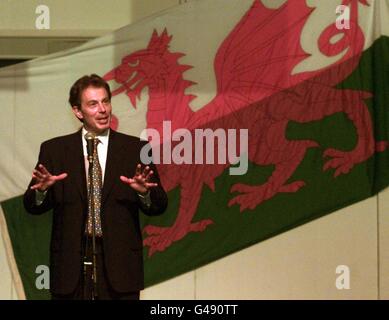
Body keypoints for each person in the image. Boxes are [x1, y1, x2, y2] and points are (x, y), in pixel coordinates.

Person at [23, 74, 168, 300]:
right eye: (93, 104)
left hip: (120, 269)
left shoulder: (136, 149)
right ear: (78, 111)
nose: (103, 109)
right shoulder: (55, 150)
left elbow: (159, 205)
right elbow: (31, 206)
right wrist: (42, 190)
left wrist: (145, 193)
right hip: (70, 268)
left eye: (106, 101)